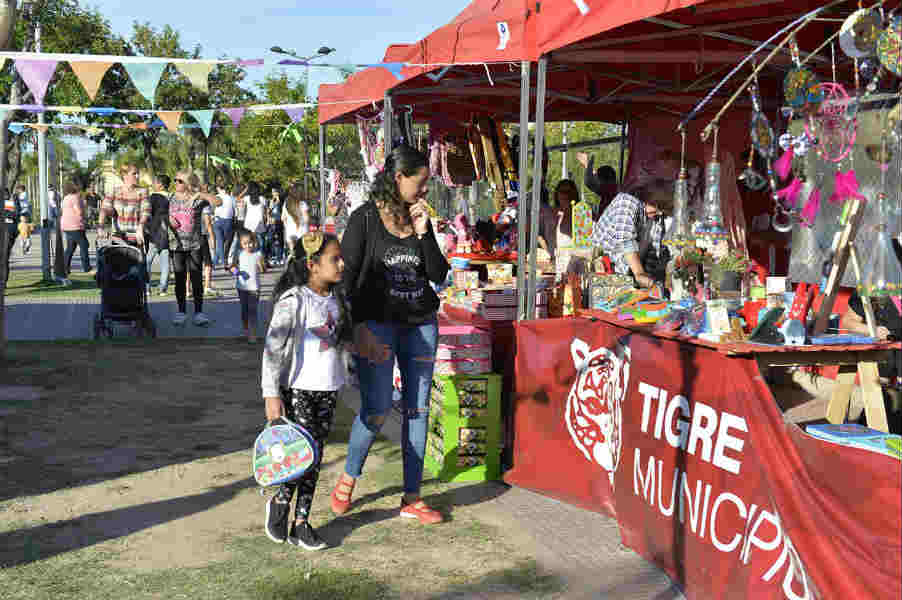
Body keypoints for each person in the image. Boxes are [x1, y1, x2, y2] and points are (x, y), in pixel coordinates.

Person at [332, 144, 450, 525]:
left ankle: (411, 497)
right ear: (398, 179)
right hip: (377, 326)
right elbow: (346, 280)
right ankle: (350, 476)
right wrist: (355, 329)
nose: (425, 191)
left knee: (418, 410)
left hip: (420, 325)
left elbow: (438, 273)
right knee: (378, 408)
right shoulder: (364, 219)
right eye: (420, 183)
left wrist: (424, 232)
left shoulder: (419, 218)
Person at [261, 230, 350, 550]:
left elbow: (341, 341)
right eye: (334, 259)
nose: (341, 264)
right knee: (301, 456)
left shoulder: (339, 298)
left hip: (328, 389)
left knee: (316, 457)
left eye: (341, 258)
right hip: (298, 389)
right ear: (313, 265)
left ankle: (301, 522)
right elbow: (272, 349)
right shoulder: (294, 300)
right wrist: (271, 393)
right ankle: (281, 500)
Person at [590, 155, 676, 288]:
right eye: (658, 205)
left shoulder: (655, 218)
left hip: (624, 280)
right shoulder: (628, 201)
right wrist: (639, 274)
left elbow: (654, 253)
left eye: (663, 208)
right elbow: (625, 240)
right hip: (603, 278)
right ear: (649, 192)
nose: (660, 212)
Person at [168, 170, 221, 326]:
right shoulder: (170, 198)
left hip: (194, 244)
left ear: (188, 184)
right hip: (176, 244)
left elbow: (218, 202)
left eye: (180, 181)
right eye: (175, 180)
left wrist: (200, 195)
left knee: (196, 277)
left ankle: (199, 312)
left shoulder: (197, 199)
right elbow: (160, 213)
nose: (176, 183)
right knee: (179, 278)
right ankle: (181, 311)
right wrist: (168, 218)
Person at [98, 163, 149, 247]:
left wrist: (140, 228)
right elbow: (104, 209)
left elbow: (146, 211)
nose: (137, 176)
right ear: (124, 175)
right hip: (118, 239)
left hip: (137, 237)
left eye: (138, 173)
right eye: (134, 173)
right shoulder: (114, 191)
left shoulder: (142, 191)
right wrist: (101, 227)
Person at [231, 228, 266, 343]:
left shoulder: (258, 254)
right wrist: (236, 272)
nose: (248, 245)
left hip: (254, 288)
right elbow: (233, 267)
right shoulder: (239, 254)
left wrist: (261, 265)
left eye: (250, 242)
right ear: (241, 244)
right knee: (244, 310)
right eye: (245, 243)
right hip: (242, 287)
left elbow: (263, 269)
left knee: (252, 310)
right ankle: (246, 329)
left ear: (254, 242)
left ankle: (253, 334)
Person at [539, 178, 579, 262]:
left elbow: (585, 247)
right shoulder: (550, 214)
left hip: (574, 264)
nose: (566, 195)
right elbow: (538, 234)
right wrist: (547, 253)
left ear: (574, 194)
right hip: (554, 263)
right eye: (562, 192)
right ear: (557, 194)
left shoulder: (581, 214)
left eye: (568, 192)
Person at [145, 174, 171, 296]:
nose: (153, 184)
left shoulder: (153, 197)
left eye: (155, 182)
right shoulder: (172, 197)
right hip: (167, 232)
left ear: (160, 184)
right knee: (165, 263)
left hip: (155, 232)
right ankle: (163, 289)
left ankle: (147, 288)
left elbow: (148, 213)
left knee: (147, 261)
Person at [61, 179, 92, 275]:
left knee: (71, 247)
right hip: (75, 225)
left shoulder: (66, 198)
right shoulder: (75, 198)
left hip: (66, 225)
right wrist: (84, 210)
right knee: (84, 245)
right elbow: (79, 212)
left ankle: (65, 268)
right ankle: (87, 268)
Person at [577, 153, 619, 219]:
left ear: (604, 181)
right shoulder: (609, 192)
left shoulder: (611, 197)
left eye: (597, 180)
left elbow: (589, 182)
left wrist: (588, 164)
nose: (595, 184)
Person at [282, 182, 308, 259]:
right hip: (302, 231)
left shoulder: (286, 204)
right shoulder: (302, 204)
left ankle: (293, 266)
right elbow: (306, 218)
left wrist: (287, 226)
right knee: (303, 255)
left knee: (294, 254)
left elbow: (283, 218)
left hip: (290, 231)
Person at [213, 184, 235, 267]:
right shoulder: (231, 198)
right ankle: (223, 261)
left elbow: (212, 208)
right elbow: (234, 210)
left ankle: (216, 261)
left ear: (219, 188)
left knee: (220, 242)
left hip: (217, 220)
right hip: (228, 220)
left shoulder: (216, 196)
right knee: (224, 242)